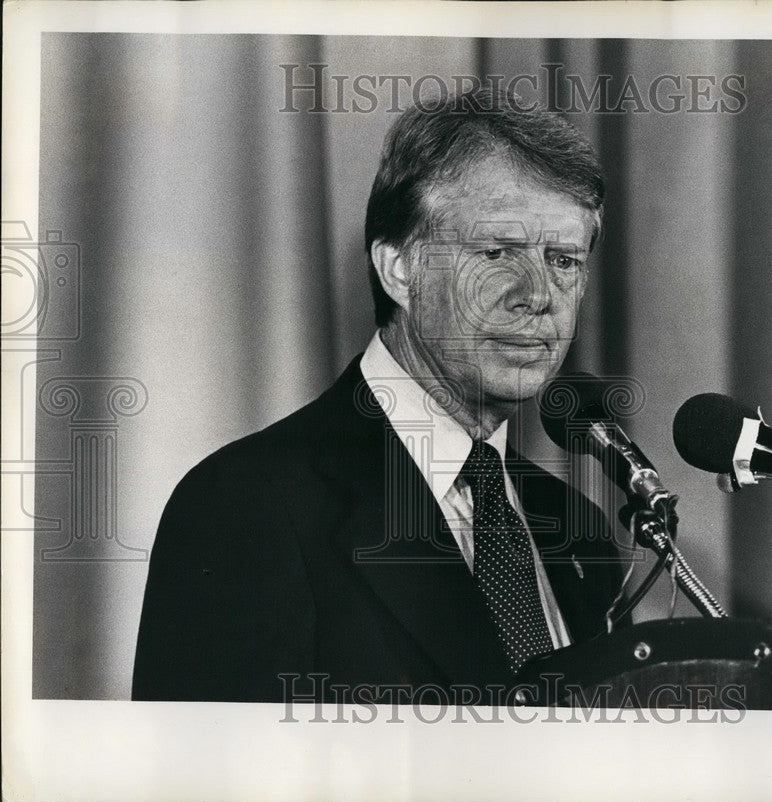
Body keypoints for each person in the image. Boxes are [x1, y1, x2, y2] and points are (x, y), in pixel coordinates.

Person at [132, 88, 624, 705]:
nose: (539, 294)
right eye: (498, 252)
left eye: (564, 261)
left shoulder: (581, 531)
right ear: (399, 270)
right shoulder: (248, 503)